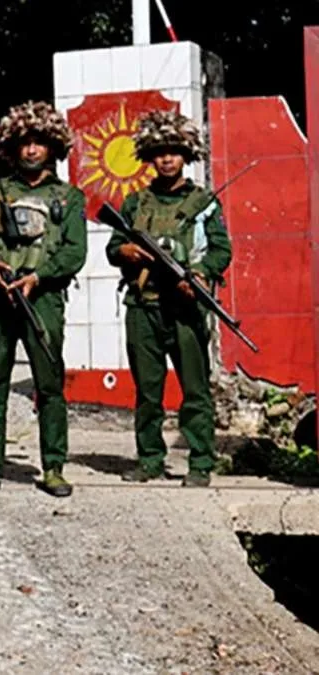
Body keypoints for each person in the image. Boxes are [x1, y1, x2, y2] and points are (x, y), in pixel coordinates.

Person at [0, 100, 86, 498]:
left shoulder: (68, 197)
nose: (31, 150)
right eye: (24, 143)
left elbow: (74, 252)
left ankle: (54, 467)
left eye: (39, 142)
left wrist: (38, 277)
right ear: (12, 148)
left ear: (52, 147)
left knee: (50, 384)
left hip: (42, 300)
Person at [107, 110, 231, 488]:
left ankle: (201, 462)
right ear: (149, 157)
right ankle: (149, 459)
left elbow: (221, 250)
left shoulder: (203, 203)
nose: (167, 159)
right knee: (148, 391)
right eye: (160, 152)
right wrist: (126, 251)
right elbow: (114, 247)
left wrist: (201, 274)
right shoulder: (135, 203)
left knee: (195, 389)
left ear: (186, 156)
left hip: (185, 307)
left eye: (174, 152)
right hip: (143, 306)